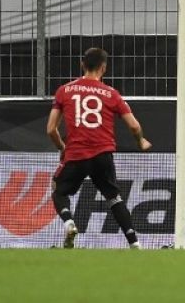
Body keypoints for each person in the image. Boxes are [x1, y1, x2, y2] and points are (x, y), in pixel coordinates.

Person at [46, 47, 152, 249]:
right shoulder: (111, 94)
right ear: (104, 68)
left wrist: (62, 147)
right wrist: (141, 141)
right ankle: (135, 244)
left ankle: (69, 224)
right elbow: (134, 125)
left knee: (58, 190)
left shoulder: (64, 91)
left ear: (81, 64)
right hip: (103, 155)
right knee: (114, 198)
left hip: (76, 154)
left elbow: (51, 129)